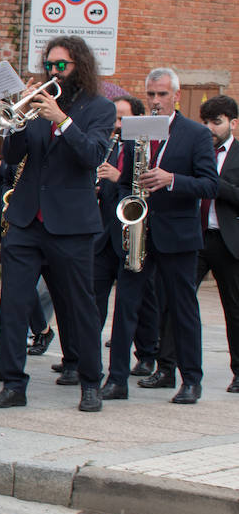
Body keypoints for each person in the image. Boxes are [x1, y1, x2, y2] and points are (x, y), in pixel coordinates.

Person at [0, 36, 114, 411]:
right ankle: (13, 384)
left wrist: (62, 120)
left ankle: (90, 383)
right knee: (12, 304)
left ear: (80, 67)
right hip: (27, 219)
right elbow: (11, 156)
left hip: (71, 225)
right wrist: (15, 114)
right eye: (50, 64)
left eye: (62, 65)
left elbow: (91, 155)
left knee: (80, 307)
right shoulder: (37, 104)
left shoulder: (99, 108)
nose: (53, 71)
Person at [102, 68, 218, 404]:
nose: (155, 101)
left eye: (162, 94)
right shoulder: (135, 130)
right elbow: (125, 182)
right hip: (139, 231)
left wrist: (172, 179)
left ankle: (191, 381)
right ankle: (117, 380)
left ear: (176, 96)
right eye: (151, 94)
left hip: (177, 234)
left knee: (183, 309)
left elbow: (210, 184)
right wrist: (128, 207)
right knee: (125, 306)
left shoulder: (195, 134)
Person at [92, 95, 159, 377]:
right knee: (94, 297)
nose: (117, 125)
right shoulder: (110, 144)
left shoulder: (142, 146)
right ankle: (86, 357)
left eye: (123, 119)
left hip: (133, 232)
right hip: (105, 230)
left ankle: (146, 355)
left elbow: (138, 183)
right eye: (114, 119)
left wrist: (116, 176)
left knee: (140, 300)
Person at [194, 95, 239, 393]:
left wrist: (213, 182)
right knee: (177, 301)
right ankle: (167, 366)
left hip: (228, 242)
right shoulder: (197, 151)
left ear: (233, 123)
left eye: (217, 122)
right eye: (206, 122)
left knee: (234, 310)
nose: (210, 127)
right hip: (195, 238)